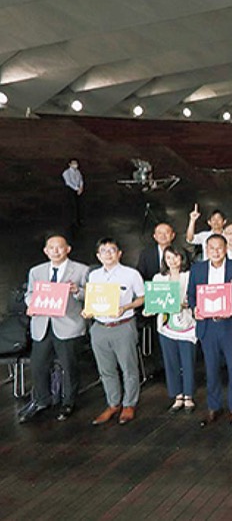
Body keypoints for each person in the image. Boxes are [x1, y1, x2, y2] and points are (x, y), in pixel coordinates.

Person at [19, 235, 89, 423]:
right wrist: (31, 304)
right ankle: (42, 400)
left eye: (60, 247)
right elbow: (29, 294)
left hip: (68, 325)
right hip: (42, 324)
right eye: (51, 248)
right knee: (38, 364)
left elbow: (91, 295)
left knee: (69, 366)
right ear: (46, 251)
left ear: (68, 249)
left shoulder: (81, 269)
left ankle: (68, 402)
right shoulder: (36, 271)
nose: (55, 251)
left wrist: (77, 291)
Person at [190, 233, 232, 427]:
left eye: (219, 248)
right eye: (212, 248)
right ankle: (214, 406)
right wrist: (195, 309)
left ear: (226, 249)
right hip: (208, 327)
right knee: (211, 370)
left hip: (231, 326)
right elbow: (191, 295)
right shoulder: (197, 269)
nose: (216, 252)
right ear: (206, 250)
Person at [84, 238, 146, 426]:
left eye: (112, 250)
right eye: (104, 251)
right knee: (106, 370)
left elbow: (142, 298)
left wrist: (126, 307)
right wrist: (87, 310)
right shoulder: (94, 275)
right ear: (98, 256)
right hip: (99, 327)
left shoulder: (131, 274)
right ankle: (113, 404)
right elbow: (91, 299)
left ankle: (129, 404)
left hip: (123, 325)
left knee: (129, 368)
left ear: (119, 253)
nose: (108, 254)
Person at [153, 246, 196, 414]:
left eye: (176, 257)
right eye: (168, 258)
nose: (172, 261)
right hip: (166, 325)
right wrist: (150, 308)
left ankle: (189, 396)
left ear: (182, 258)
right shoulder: (158, 278)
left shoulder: (190, 276)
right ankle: (177, 395)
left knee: (187, 361)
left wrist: (185, 304)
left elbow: (195, 297)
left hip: (187, 324)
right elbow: (155, 300)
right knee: (171, 362)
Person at [62, 159, 84, 228]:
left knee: (78, 205)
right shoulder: (66, 172)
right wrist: (77, 188)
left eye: (76, 163)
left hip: (78, 190)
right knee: (72, 206)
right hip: (70, 190)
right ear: (69, 164)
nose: (75, 165)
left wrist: (81, 187)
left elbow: (81, 179)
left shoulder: (78, 172)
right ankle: (72, 222)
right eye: (73, 163)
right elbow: (68, 182)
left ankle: (78, 220)